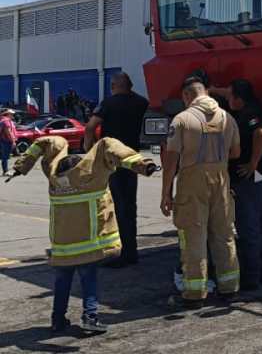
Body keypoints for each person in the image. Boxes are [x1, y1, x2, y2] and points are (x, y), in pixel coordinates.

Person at [12, 136, 157, 334]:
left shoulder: (54, 181)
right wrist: (141, 164)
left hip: (62, 248)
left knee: (62, 283)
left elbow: (47, 143)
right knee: (89, 281)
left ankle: (57, 320)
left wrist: (22, 166)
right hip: (88, 245)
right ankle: (90, 317)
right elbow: (110, 147)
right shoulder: (91, 181)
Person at [160, 77, 241, 308]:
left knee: (193, 236)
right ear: (206, 92)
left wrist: (166, 193)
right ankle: (229, 289)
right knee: (224, 235)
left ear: (187, 96)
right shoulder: (228, 117)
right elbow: (236, 152)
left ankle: (195, 293)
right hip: (221, 179)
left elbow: (171, 160)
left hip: (192, 180)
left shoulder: (182, 119)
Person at [210, 79, 262, 288]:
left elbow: (261, 134)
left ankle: (252, 279)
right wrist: (212, 89)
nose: (228, 99)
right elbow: (227, 91)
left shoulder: (249, 115)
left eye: (230, 96)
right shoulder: (250, 107)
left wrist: (252, 163)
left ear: (239, 99)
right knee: (259, 229)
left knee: (248, 229)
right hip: (258, 178)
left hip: (249, 180)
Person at [83, 72, 150, 268]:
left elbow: (90, 127)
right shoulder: (141, 102)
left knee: (113, 205)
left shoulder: (108, 103)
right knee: (129, 205)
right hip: (133, 159)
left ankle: (123, 253)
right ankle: (131, 250)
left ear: (114, 86)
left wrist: (92, 150)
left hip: (112, 160)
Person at [0, 108, 17, 176]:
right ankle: (5, 171)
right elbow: (8, 132)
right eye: (12, 114)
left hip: (4, 141)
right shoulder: (6, 121)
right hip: (6, 141)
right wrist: (13, 141)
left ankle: (5, 170)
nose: (13, 115)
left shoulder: (4, 120)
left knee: (5, 156)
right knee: (5, 157)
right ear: (8, 114)